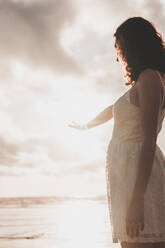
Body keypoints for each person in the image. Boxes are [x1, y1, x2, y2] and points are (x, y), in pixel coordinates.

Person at [68, 17, 165, 248]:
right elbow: (113, 109)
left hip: (140, 176)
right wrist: (86, 125)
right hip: (129, 175)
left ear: (135, 44)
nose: (118, 55)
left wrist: (137, 198)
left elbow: (150, 138)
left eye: (121, 47)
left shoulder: (150, 77)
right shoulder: (142, 81)